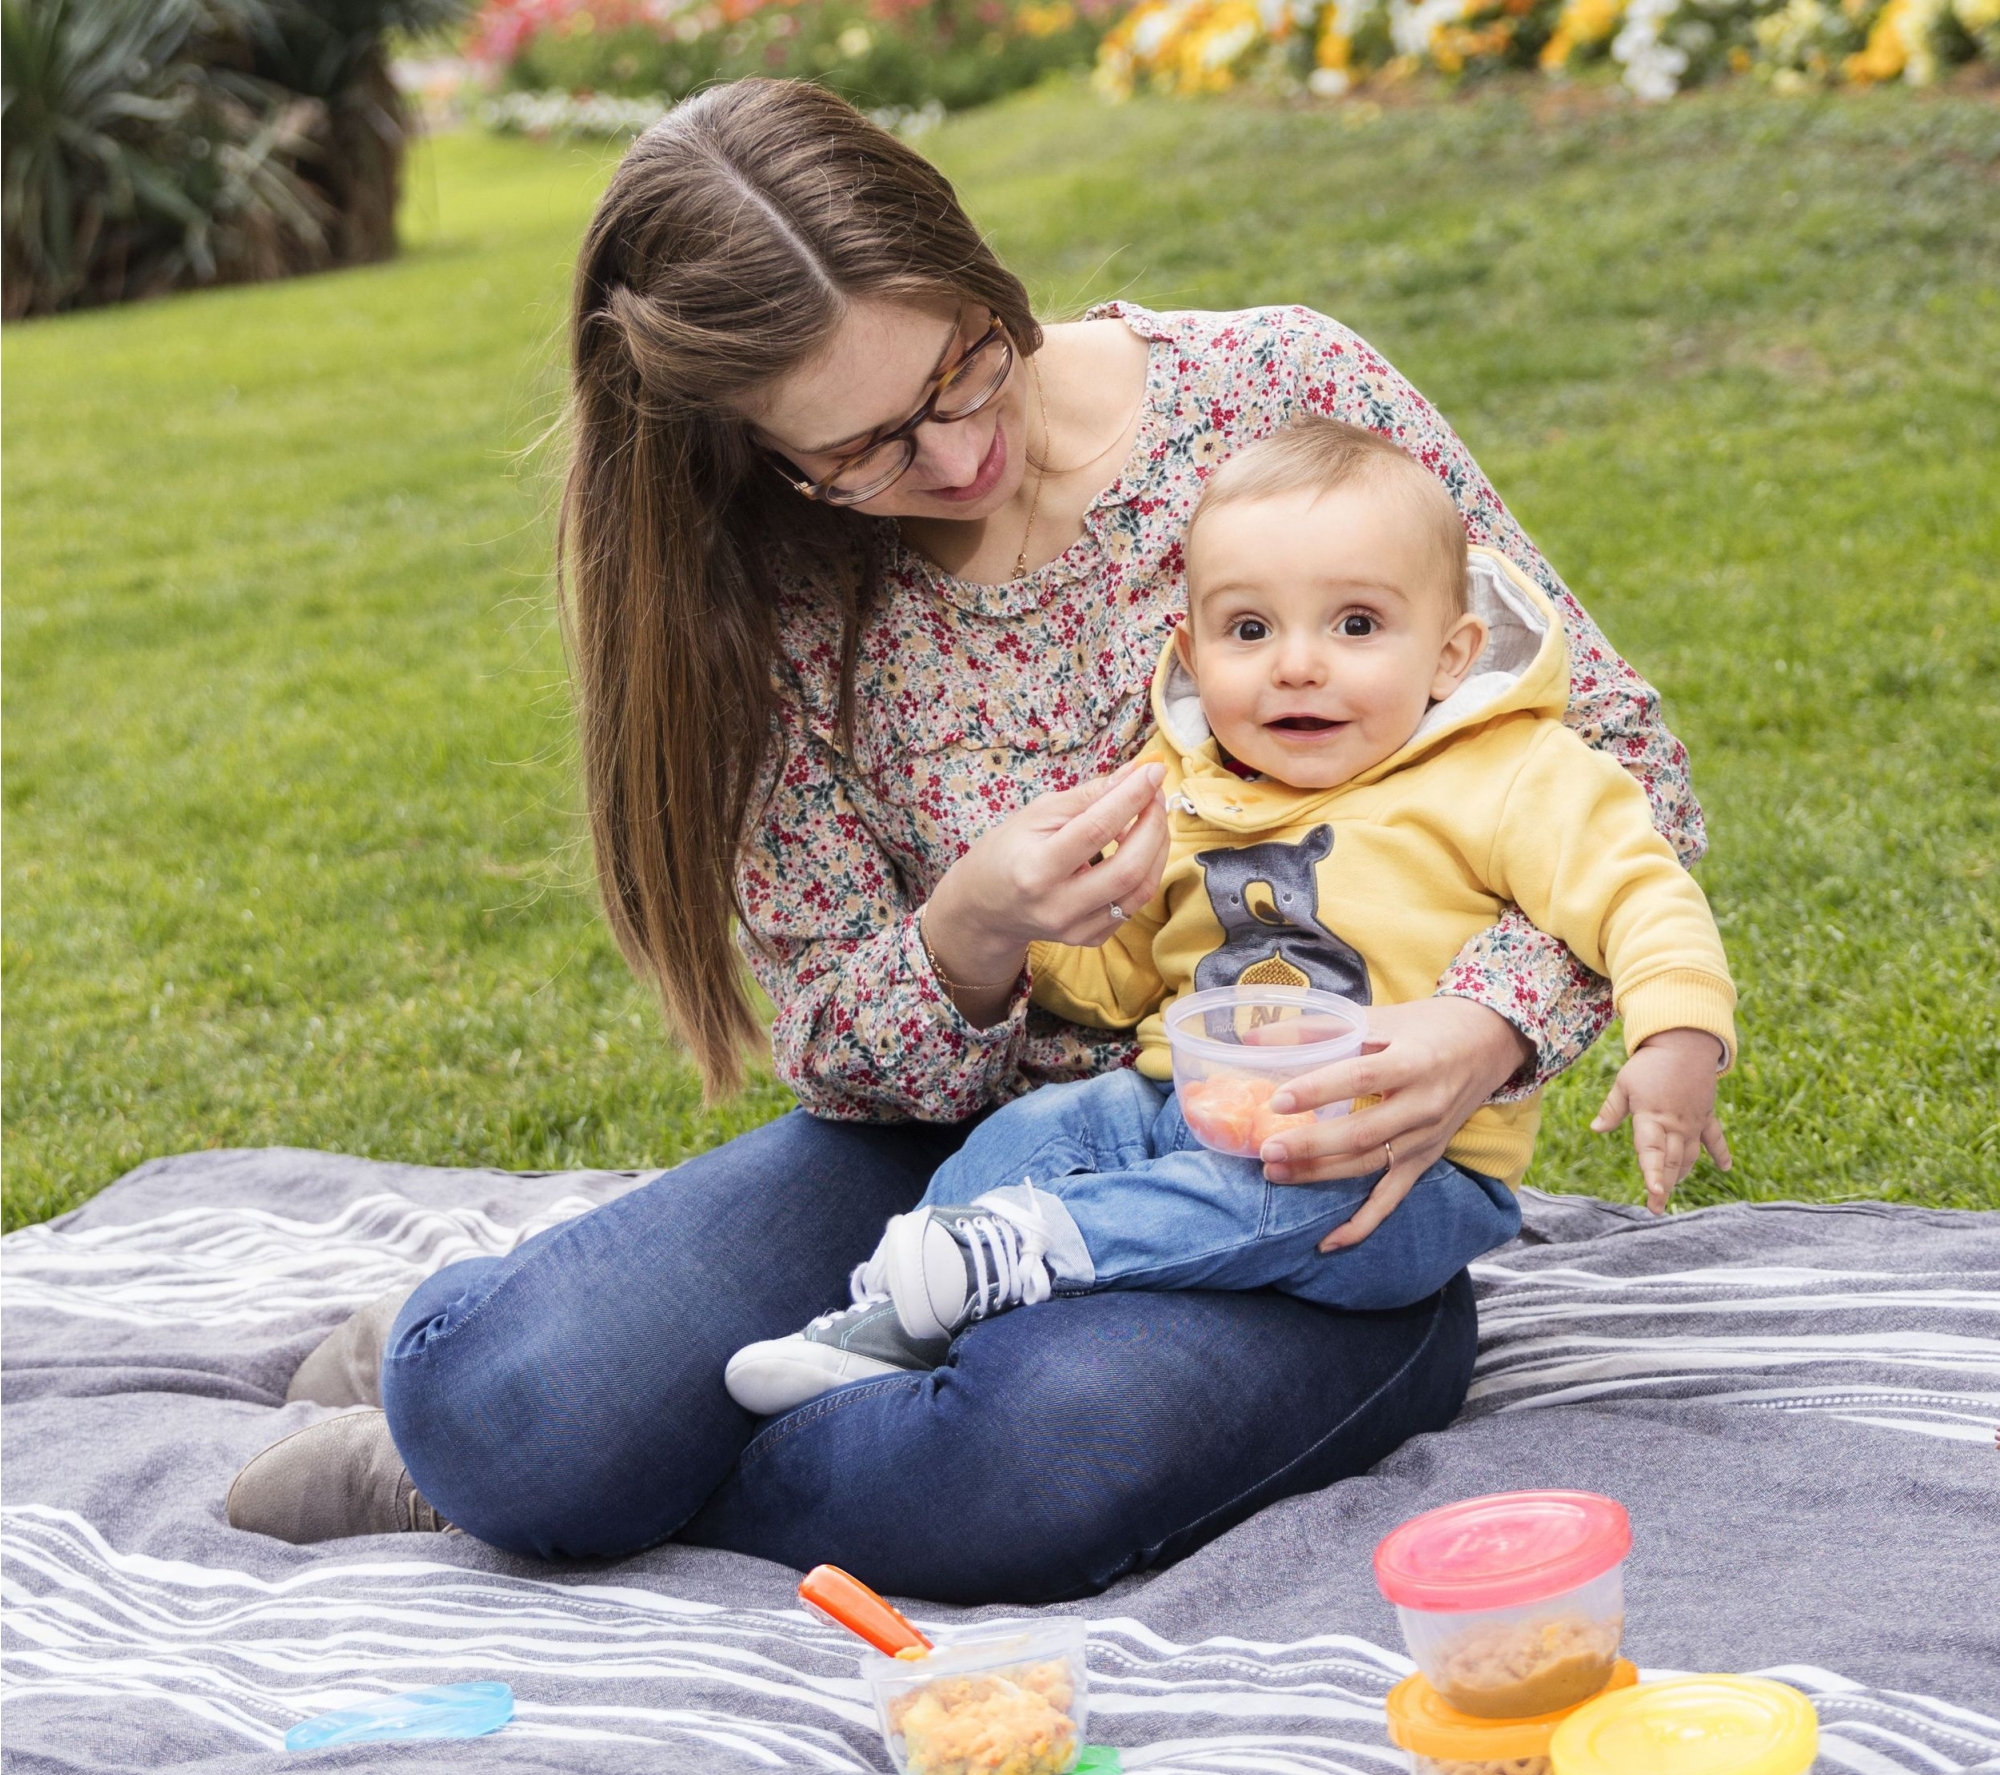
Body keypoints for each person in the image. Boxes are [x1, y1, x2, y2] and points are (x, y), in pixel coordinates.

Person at [224, 78, 1710, 1605]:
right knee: (517, 1409)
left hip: (1323, 1189)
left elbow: (1621, 766)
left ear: (979, 267)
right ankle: (513, 1432)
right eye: (858, 449)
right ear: (749, 451)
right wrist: (970, 934)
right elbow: (825, 1036)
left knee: (1038, 1449)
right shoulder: (769, 583)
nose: (949, 461)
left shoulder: (1283, 391)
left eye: (962, 371)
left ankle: (585, 1479)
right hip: (967, 1151)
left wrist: (1490, 1026)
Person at [722, 417, 1735, 1416]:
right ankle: (895, 1312)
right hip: (1183, 1110)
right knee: (1042, 1125)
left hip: (1396, 1168)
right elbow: (1119, 977)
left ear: (1448, 653)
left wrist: (1678, 1032)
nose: (1296, 664)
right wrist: (1043, 920)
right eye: (1249, 630)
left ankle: (1028, 1252)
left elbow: (1640, 891)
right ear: (1194, 651)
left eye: (1354, 625)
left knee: (1287, 1193)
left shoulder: (1510, 775)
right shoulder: (1183, 788)